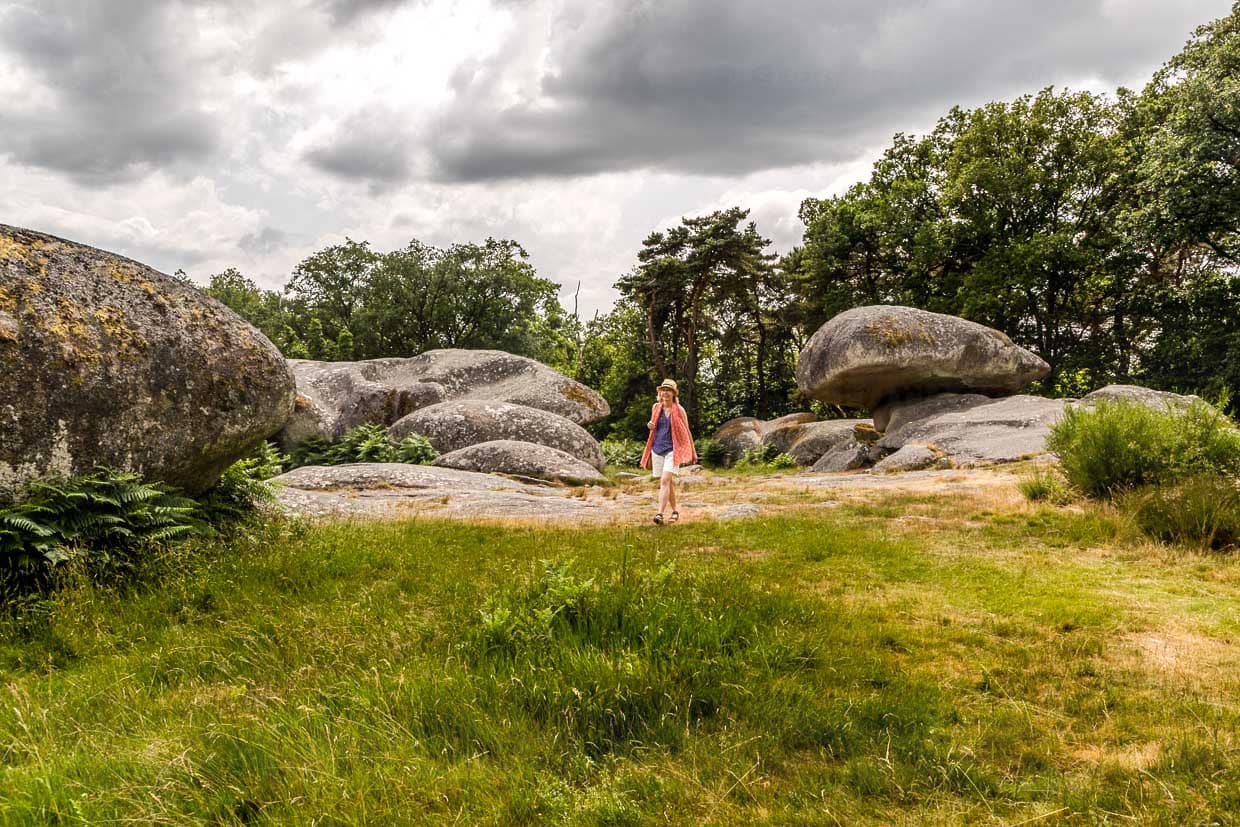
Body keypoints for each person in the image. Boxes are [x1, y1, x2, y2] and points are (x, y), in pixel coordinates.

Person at [640, 378, 697, 525]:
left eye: (668, 390)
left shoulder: (679, 410)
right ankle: (675, 511)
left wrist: (693, 451)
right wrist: (650, 425)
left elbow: (687, 431)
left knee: (664, 480)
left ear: (673, 393)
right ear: (660, 393)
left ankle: (659, 514)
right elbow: (653, 425)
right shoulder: (656, 407)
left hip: (673, 449)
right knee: (668, 483)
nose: (665, 393)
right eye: (663, 390)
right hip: (657, 449)